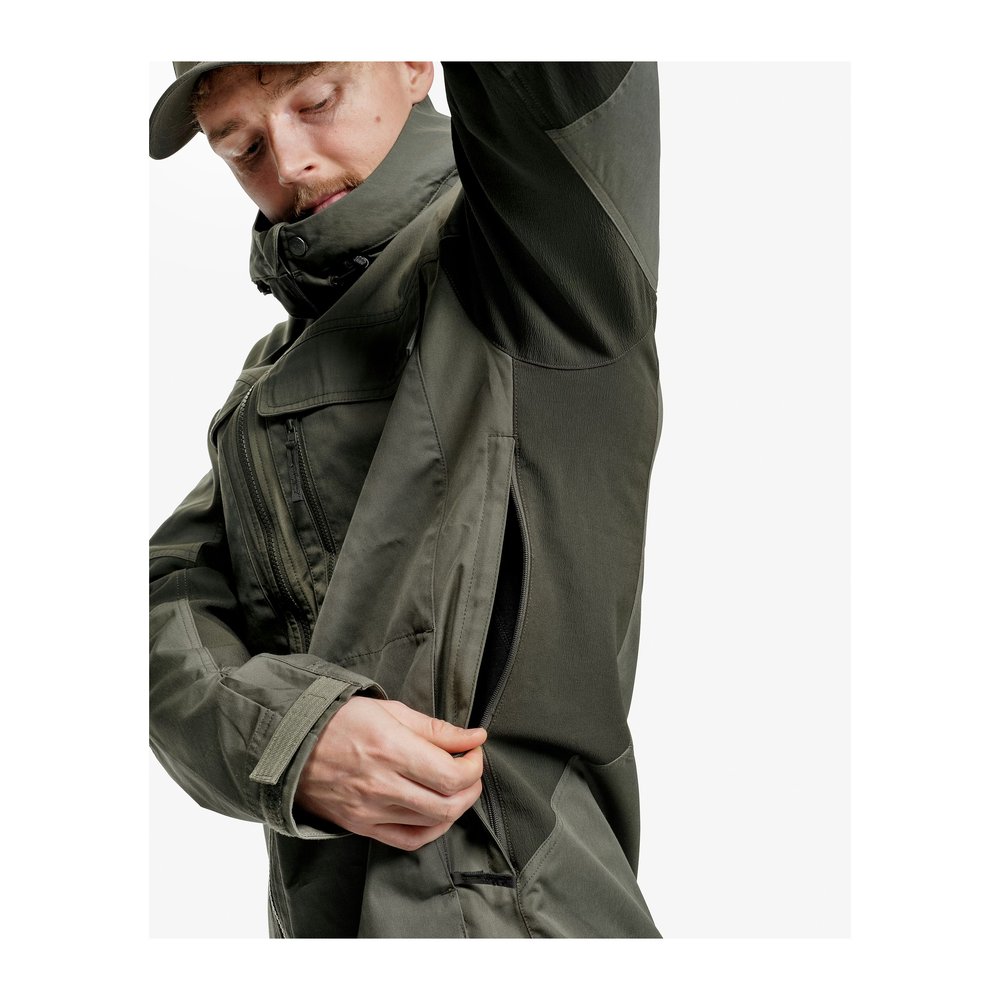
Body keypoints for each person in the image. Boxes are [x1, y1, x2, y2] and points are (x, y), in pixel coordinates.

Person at [149, 61, 662, 938]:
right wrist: (291, 736)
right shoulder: (266, 382)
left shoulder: (531, 252)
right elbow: (155, 606)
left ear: (416, 63)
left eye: (318, 101)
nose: (291, 162)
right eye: (243, 147)